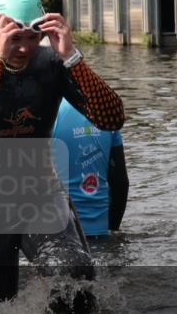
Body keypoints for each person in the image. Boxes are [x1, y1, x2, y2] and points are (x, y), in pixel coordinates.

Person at [0, 0, 124, 310]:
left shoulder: (52, 65)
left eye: (32, 37)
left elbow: (112, 118)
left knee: (75, 279)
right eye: (15, 38)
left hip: (40, 193)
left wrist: (71, 57)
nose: (24, 48)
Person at [51, 98, 129, 237]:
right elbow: (120, 184)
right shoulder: (105, 110)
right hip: (101, 230)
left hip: (62, 233)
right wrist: (112, 229)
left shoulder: (48, 112)